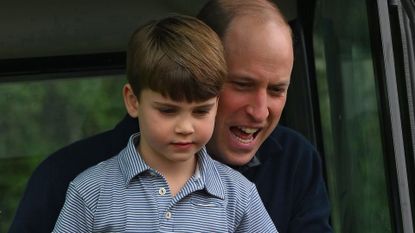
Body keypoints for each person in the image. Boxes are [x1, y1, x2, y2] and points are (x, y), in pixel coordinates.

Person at [9, 1, 332, 233]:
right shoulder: (73, 180)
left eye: (277, 90)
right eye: (242, 84)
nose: (260, 111)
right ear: (200, 67)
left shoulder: (290, 164)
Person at [52, 14, 277, 232]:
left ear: (216, 105)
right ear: (133, 101)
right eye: (168, 110)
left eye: (201, 111)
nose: (185, 127)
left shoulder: (239, 195)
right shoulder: (91, 191)